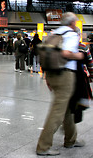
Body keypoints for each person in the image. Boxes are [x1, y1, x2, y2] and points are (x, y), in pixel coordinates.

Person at [36, 12, 85, 156]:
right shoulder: (70, 34)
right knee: (57, 111)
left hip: (52, 73)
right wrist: (79, 55)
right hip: (65, 75)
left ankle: (71, 139)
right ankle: (43, 147)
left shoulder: (54, 33)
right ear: (72, 23)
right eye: (75, 22)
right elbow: (66, 53)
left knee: (68, 108)